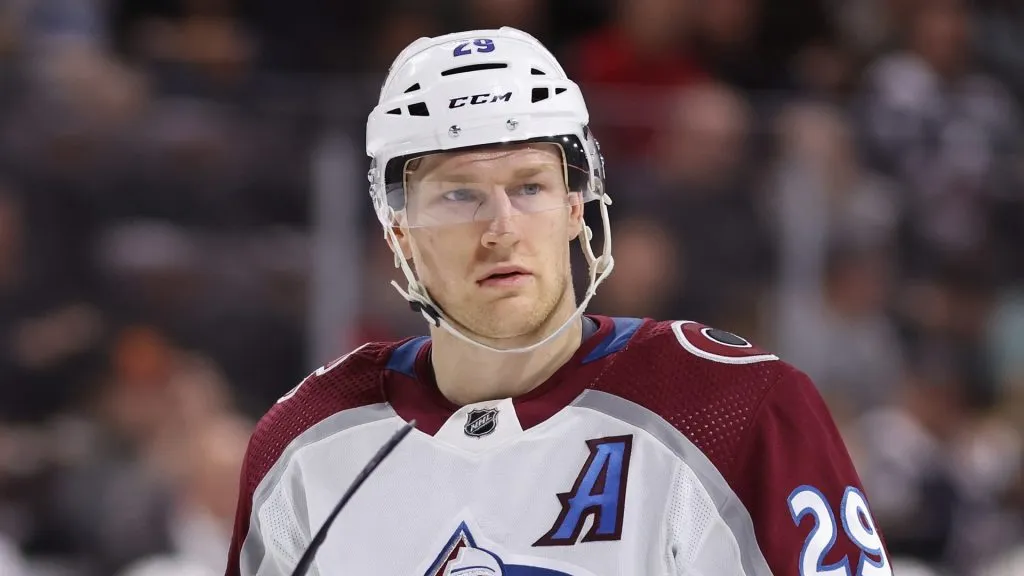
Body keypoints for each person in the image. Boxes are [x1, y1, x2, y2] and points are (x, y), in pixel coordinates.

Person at [226, 27, 891, 575]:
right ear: (400, 232)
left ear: (577, 205)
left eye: (530, 186)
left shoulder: (737, 409)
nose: (501, 227)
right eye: (459, 194)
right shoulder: (308, 442)